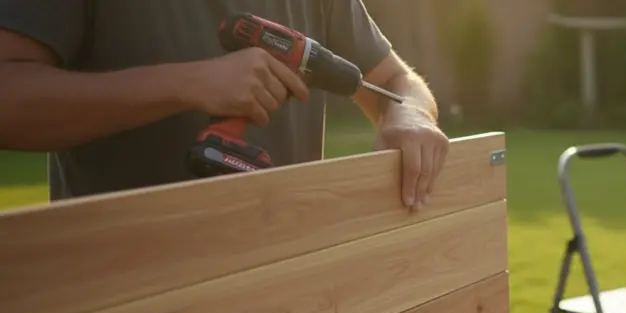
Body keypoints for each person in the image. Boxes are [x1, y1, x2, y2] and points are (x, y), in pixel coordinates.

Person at [0, 1, 449, 211]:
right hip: (121, 308)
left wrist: (408, 113)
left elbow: (395, 81)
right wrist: (188, 83)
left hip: (283, 297)